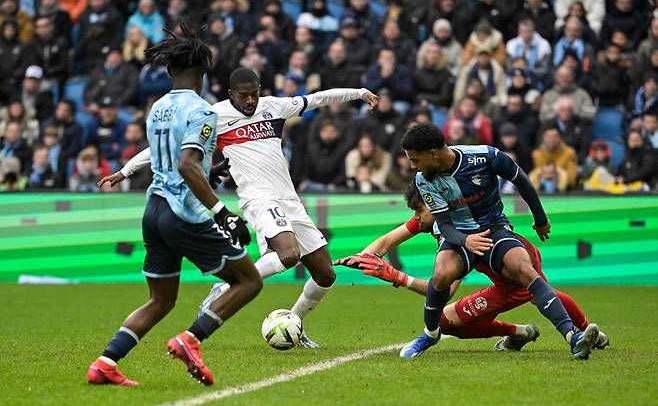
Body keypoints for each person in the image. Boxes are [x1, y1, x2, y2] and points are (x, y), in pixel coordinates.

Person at [102, 67, 379, 349]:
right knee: (288, 254)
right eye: (244, 96)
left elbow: (317, 98)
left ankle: (294, 324)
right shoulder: (214, 116)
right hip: (257, 198)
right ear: (230, 94)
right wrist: (125, 171)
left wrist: (359, 93)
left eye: (254, 94)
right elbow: (169, 149)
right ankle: (225, 286)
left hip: (289, 199)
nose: (250, 101)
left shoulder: (273, 107)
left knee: (325, 275)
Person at [88, 23, 262, 387]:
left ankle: (105, 362)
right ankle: (191, 339)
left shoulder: (157, 109)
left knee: (161, 299)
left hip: (153, 209)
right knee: (249, 280)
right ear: (203, 71)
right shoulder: (203, 111)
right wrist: (223, 214)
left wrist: (208, 171)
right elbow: (185, 164)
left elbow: (169, 162)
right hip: (183, 213)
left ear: (169, 70)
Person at [398, 123, 600, 359]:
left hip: (494, 228)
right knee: (442, 274)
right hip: (459, 235)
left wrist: (541, 219)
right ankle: (430, 334)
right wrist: (466, 240)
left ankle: (573, 337)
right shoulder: (424, 179)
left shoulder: (485, 156)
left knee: (523, 267)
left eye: (415, 159)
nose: (413, 166)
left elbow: (521, 180)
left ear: (433, 153)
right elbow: (444, 224)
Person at [334, 184, 609, 351]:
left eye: (420, 211)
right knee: (444, 322)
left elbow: (447, 289)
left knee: (539, 293)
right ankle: (520, 333)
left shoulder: (460, 231)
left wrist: (396, 277)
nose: (416, 218)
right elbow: (386, 241)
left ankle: (584, 333)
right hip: (500, 279)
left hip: (517, 261)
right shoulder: (431, 220)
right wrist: (362, 256)